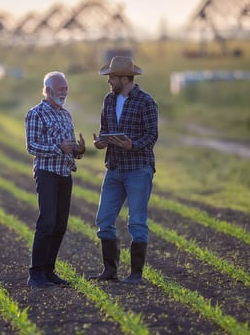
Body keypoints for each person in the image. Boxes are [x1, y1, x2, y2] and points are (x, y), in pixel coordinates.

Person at [90, 56, 158, 285]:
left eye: (111, 77)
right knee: (104, 220)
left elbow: (152, 136)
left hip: (138, 169)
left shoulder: (145, 102)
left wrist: (133, 145)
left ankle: (136, 274)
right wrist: (101, 142)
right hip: (114, 168)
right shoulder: (108, 101)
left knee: (137, 222)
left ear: (123, 78)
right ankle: (110, 271)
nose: (109, 81)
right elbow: (105, 130)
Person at [25, 71, 85, 288]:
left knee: (60, 225)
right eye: (61, 89)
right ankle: (36, 273)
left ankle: (49, 271)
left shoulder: (65, 115)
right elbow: (31, 146)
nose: (64, 92)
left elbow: (68, 147)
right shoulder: (36, 114)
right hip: (47, 173)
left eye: (66, 88)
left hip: (64, 173)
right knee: (47, 222)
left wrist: (78, 150)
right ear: (48, 90)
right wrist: (58, 148)